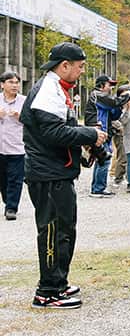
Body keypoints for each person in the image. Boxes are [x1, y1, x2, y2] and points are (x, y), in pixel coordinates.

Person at [20, 41, 108, 309]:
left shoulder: (58, 89)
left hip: (57, 172)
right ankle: (47, 291)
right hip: (47, 175)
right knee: (52, 232)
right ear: (64, 65)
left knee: (65, 229)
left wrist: (88, 143)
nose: (82, 71)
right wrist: (91, 134)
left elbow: (62, 129)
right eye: (80, 67)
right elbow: (53, 133)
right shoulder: (47, 90)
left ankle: (59, 281)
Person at [85, 75, 127, 197]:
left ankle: (97, 187)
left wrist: (119, 106)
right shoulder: (98, 95)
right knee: (105, 158)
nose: (111, 88)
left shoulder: (103, 99)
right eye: (109, 85)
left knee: (101, 159)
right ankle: (98, 189)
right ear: (102, 85)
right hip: (99, 131)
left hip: (104, 132)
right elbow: (114, 102)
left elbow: (114, 114)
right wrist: (128, 95)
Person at [0, 71, 26, 221]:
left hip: (17, 147)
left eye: (17, 82)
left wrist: (20, 117)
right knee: (3, 180)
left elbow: (32, 121)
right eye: (11, 82)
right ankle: (7, 199)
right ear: (2, 84)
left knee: (15, 179)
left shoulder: (24, 101)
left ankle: (11, 208)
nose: (15, 85)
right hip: (0, 148)